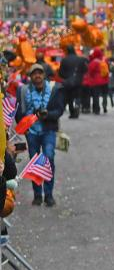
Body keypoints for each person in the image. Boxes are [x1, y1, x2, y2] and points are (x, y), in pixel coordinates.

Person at [14, 63, 64, 206]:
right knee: (34, 162)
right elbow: (18, 110)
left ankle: (48, 195)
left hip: (48, 130)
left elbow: (59, 110)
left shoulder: (54, 89)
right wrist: (24, 128)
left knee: (49, 158)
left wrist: (48, 115)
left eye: (40, 73)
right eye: (34, 73)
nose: (37, 76)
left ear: (44, 75)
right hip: (32, 132)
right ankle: (37, 195)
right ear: (30, 77)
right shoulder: (23, 90)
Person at [57, 45, 87, 118]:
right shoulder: (80, 59)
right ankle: (77, 106)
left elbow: (61, 72)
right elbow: (85, 70)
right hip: (78, 81)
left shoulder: (64, 60)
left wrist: (65, 77)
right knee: (78, 96)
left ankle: (72, 112)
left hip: (68, 81)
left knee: (69, 97)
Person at [83, 47, 108, 114]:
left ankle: (96, 109)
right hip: (105, 81)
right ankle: (104, 106)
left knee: (96, 95)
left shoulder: (94, 62)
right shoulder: (104, 60)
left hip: (96, 81)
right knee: (104, 94)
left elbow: (90, 71)